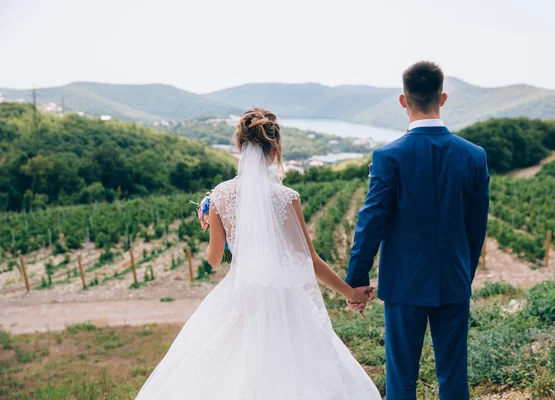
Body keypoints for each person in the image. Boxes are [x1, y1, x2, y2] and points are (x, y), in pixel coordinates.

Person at [136, 107, 381, 399]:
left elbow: (213, 259)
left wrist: (212, 225)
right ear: (275, 149)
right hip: (284, 299)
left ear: (240, 146)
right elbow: (309, 259)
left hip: (241, 295)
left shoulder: (220, 196)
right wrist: (349, 292)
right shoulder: (286, 197)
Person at [346, 61, 490, 400]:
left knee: (401, 379)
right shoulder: (474, 155)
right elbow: (476, 226)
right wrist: (462, 274)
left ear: (402, 100)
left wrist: (356, 279)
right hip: (453, 280)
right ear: (443, 98)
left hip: (403, 284)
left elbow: (371, 221)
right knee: (454, 376)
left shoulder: (388, 156)